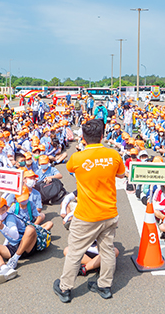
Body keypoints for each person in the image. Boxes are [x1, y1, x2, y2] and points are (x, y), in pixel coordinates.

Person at [55, 119, 124, 303]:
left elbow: (70, 169)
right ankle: (104, 286)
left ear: (83, 138)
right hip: (109, 212)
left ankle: (65, 288)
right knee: (107, 250)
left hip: (86, 214)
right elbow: (121, 174)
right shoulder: (114, 155)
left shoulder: (77, 158)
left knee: (75, 251)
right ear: (102, 135)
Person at [0, 197, 38, 285]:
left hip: (26, 245)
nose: (1, 213)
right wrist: (4, 246)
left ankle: (15, 259)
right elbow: (8, 236)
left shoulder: (10, 218)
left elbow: (15, 235)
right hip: (14, 247)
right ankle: (4, 268)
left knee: (30, 229)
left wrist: (3, 227)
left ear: (7, 208)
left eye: (3, 210)